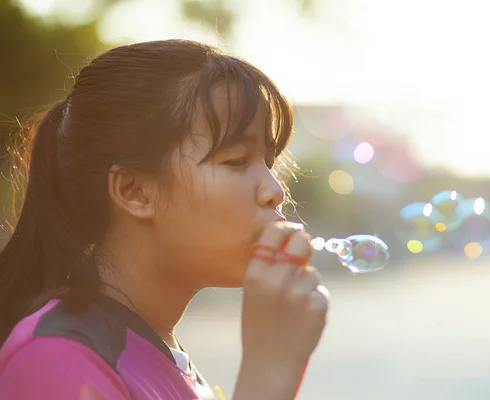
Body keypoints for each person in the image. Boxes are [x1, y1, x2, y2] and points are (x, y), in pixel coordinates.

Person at [0, 39, 329, 399]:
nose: (274, 190)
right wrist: (268, 372)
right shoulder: (56, 358)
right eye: (236, 160)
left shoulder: (161, 356)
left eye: (269, 161)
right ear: (134, 191)